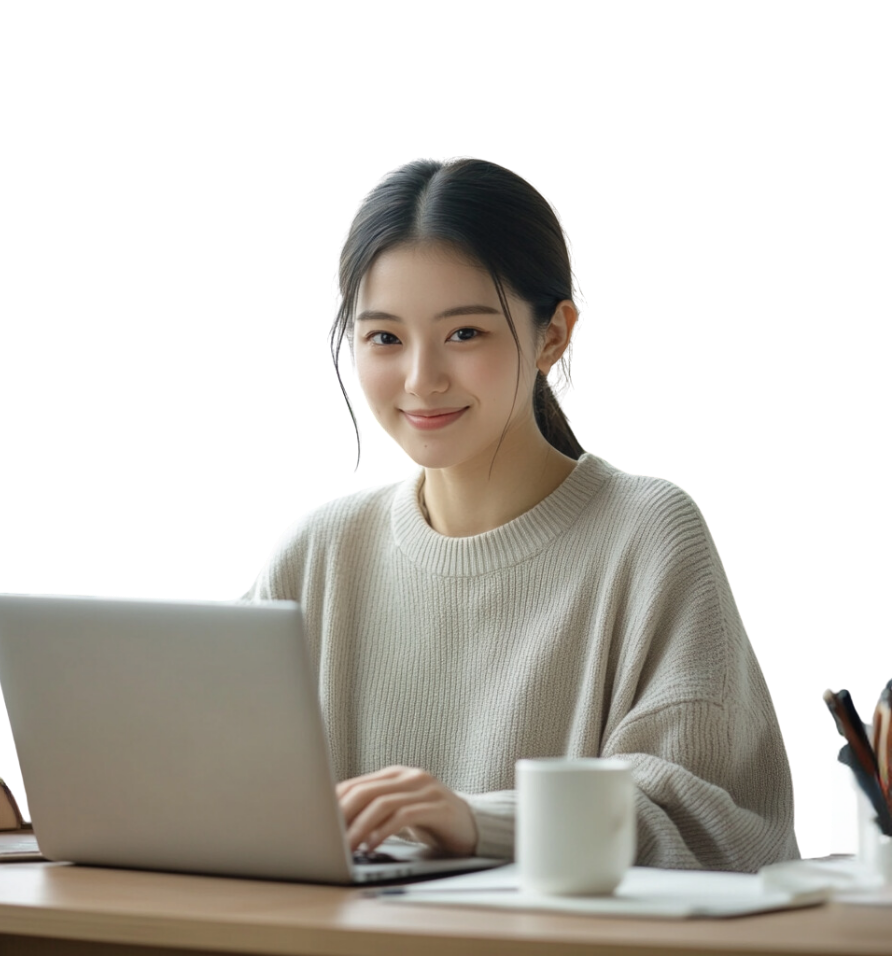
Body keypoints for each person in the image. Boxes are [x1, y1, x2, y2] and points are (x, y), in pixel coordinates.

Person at [236, 156, 801, 872]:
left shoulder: (648, 530)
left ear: (553, 336)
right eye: (384, 337)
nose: (421, 379)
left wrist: (476, 821)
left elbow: (720, 822)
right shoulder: (316, 548)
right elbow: (196, 765)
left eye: (465, 333)